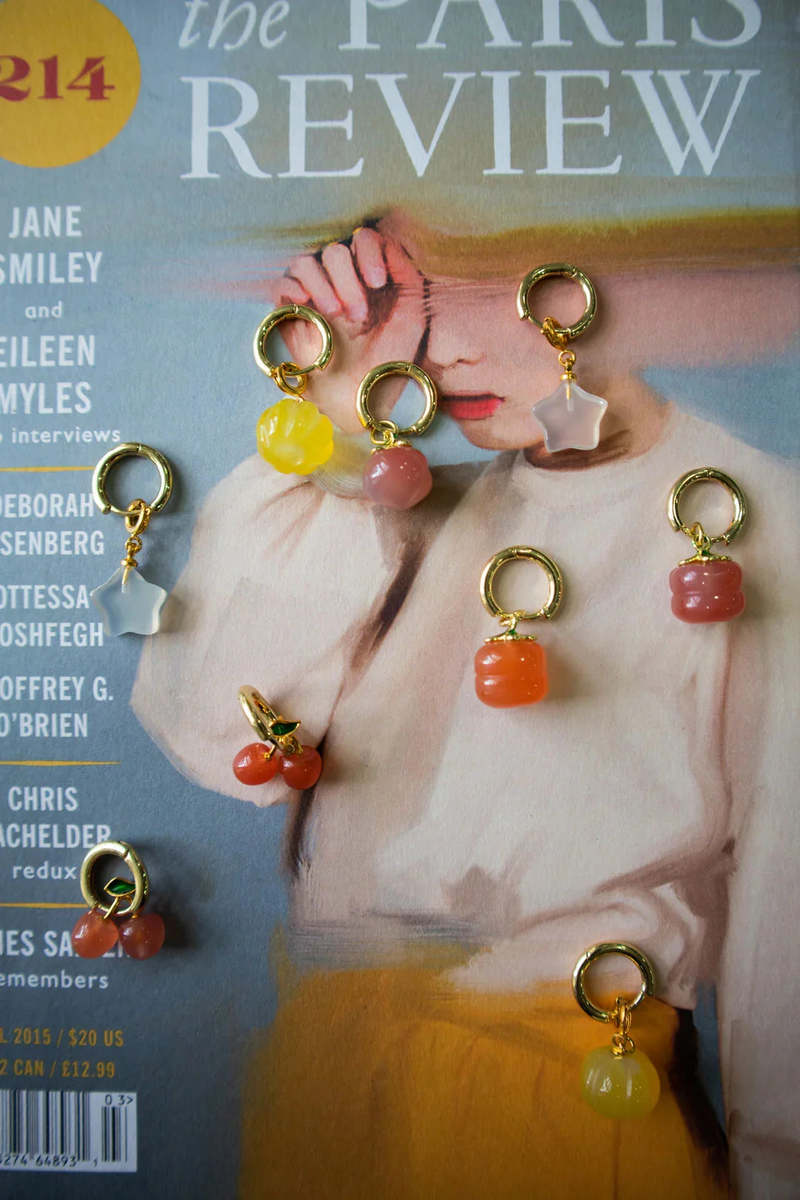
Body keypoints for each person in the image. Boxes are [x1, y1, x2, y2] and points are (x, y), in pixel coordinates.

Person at [132, 209, 799, 1199]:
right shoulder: (400, 504)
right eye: (416, 294)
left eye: (487, 287)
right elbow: (214, 736)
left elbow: (786, 917)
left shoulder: (759, 517)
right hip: (323, 1093)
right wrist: (340, 419)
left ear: (611, 269)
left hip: (567, 1109)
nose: (442, 351)